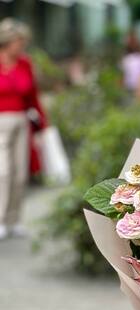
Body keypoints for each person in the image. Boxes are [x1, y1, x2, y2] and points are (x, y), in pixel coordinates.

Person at [0, 18, 47, 240]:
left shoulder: (24, 63)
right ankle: (0, 220)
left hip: (21, 121)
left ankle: (14, 220)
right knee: (3, 172)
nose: (22, 45)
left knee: (19, 173)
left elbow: (33, 96)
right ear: (8, 42)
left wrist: (43, 125)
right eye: (19, 41)